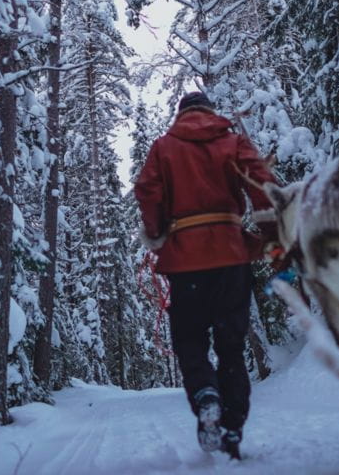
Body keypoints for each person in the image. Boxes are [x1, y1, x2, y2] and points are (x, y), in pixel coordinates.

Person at [134, 91, 277, 459]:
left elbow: (147, 189)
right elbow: (261, 181)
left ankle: (205, 394)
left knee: (190, 340)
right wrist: (270, 232)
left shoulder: (164, 147)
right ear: (210, 112)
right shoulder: (233, 142)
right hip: (231, 255)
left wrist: (157, 231)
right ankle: (232, 427)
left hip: (185, 261)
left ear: (181, 115)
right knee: (231, 345)